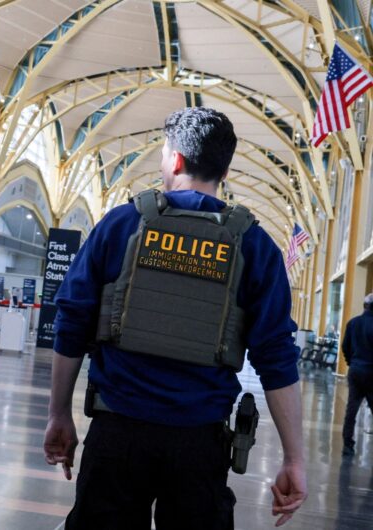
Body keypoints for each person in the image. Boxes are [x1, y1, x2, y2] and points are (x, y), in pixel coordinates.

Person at [44, 107, 307, 529]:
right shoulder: (254, 246)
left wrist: (58, 414)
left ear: (176, 160)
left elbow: (72, 321)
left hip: (117, 434)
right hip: (199, 443)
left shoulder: (121, 224)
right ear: (224, 170)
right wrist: (294, 458)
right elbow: (276, 357)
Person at [341, 293, 373, 456]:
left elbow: (345, 346)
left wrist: (351, 362)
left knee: (352, 408)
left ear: (364, 305)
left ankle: (348, 444)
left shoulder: (352, 323)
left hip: (355, 371)